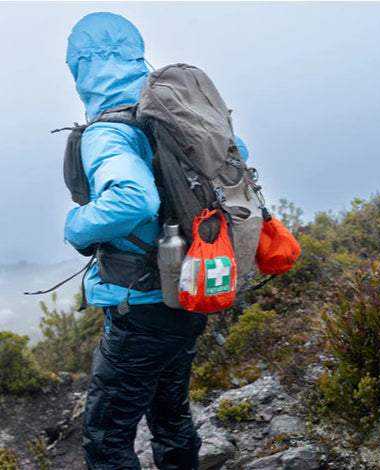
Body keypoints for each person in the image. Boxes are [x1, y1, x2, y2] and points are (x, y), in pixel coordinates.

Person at [64, 12, 248, 469]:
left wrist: (77, 226)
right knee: (170, 415)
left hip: (143, 306)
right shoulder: (177, 115)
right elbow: (236, 158)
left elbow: (134, 199)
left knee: (106, 440)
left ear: (80, 69)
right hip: (194, 285)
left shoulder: (108, 131)